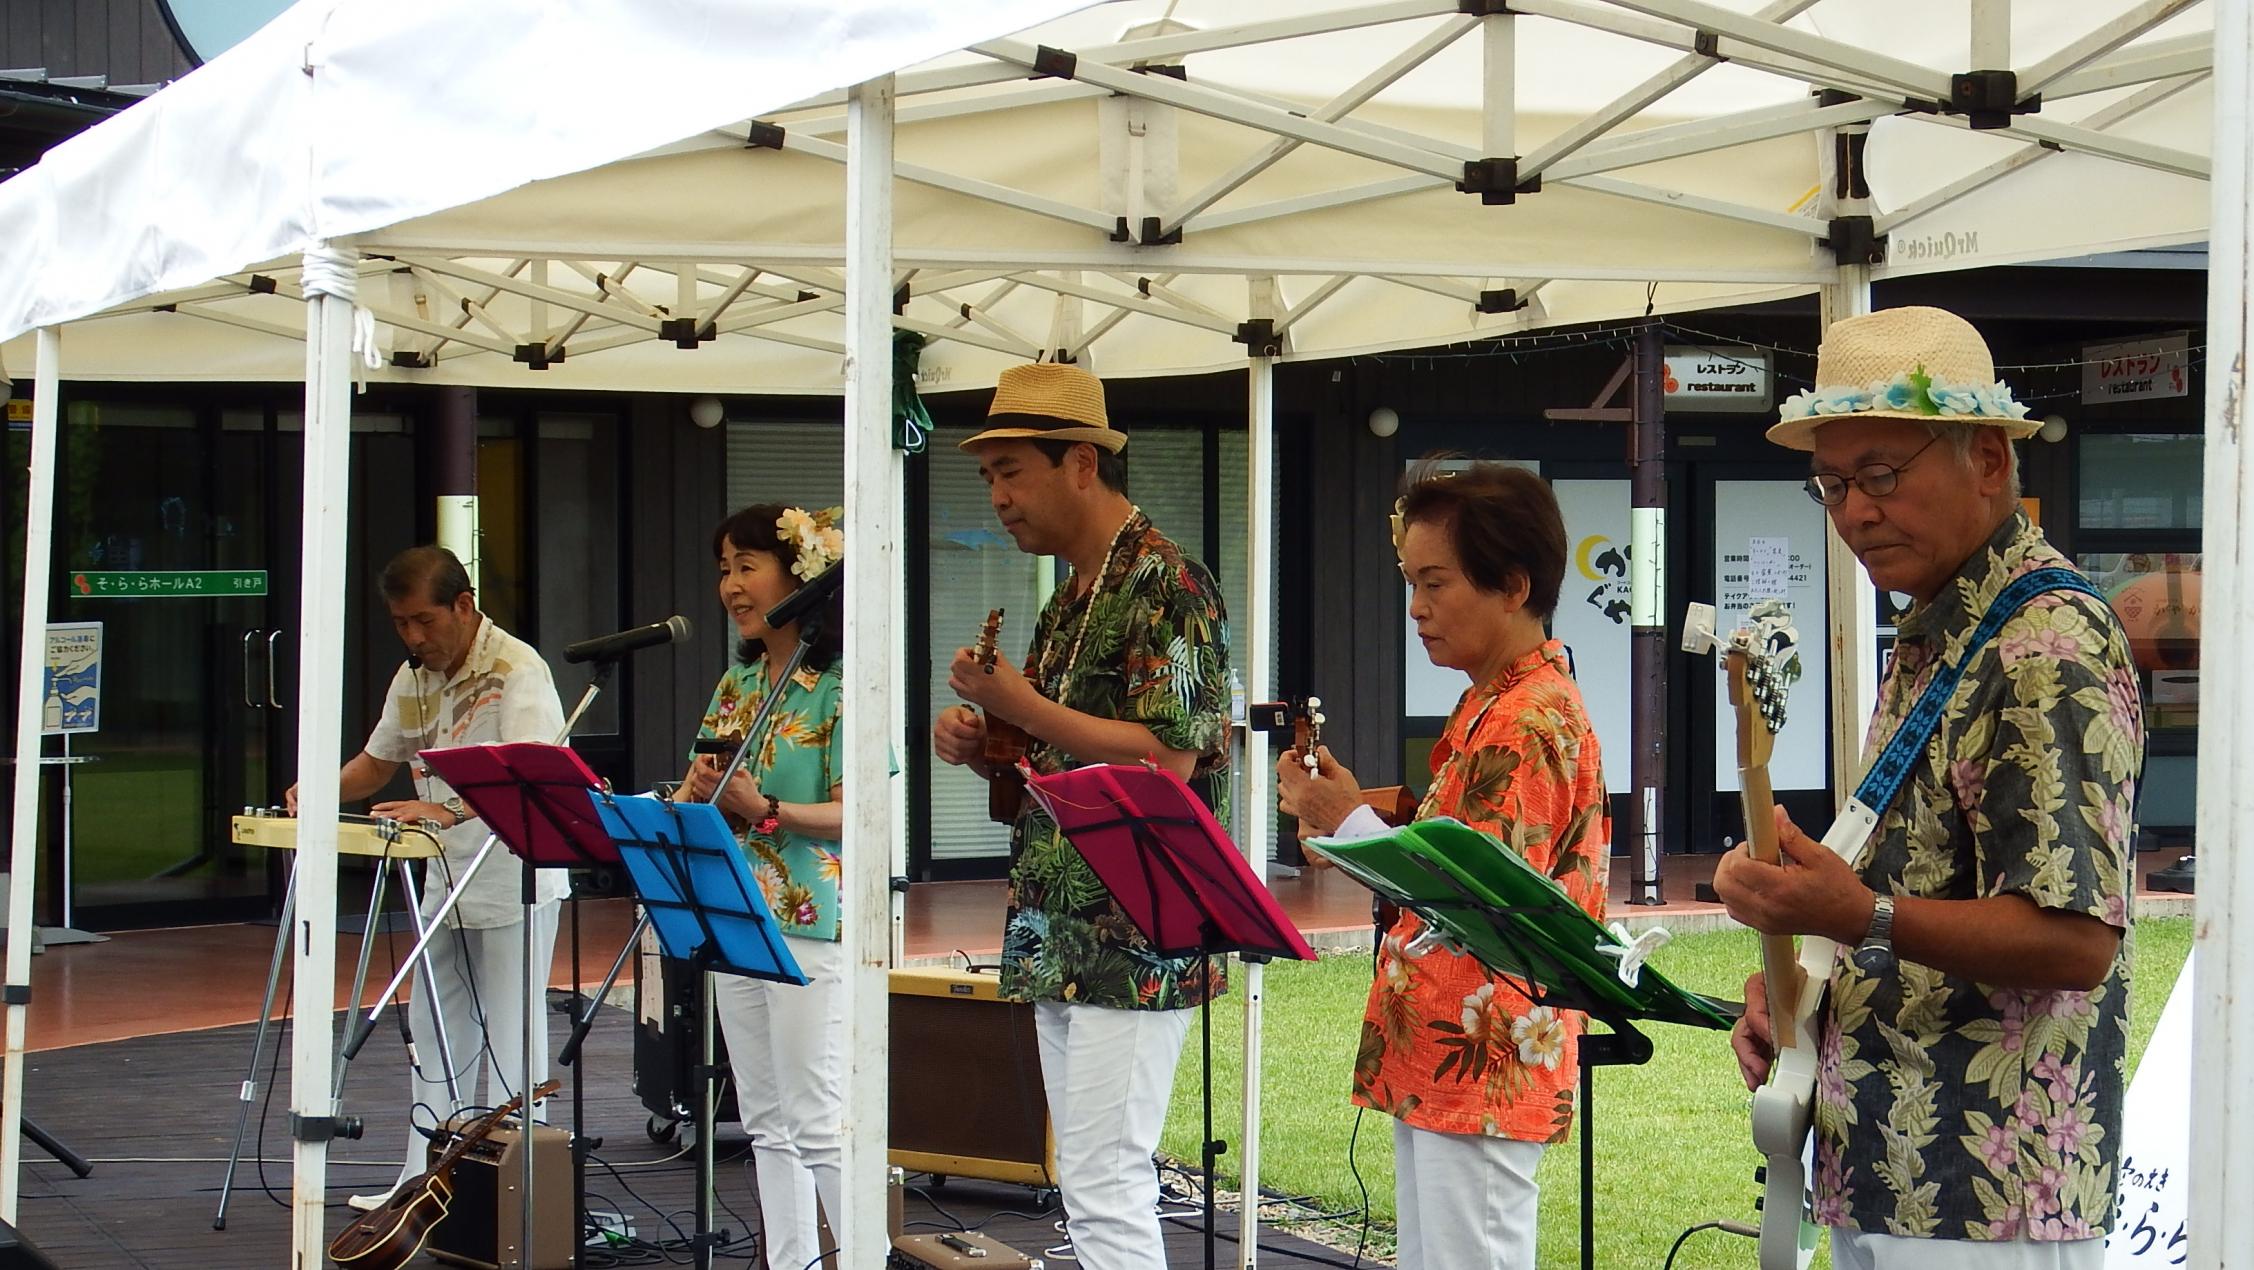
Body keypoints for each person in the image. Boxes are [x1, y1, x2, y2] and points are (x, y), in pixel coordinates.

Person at [1714, 306, 2143, 1270]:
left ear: (1987, 458)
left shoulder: (2045, 644)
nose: (1854, 512)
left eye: (1880, 475)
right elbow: (1920, 893)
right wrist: (1797, 996)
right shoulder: (1941, 627)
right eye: (1832, 484)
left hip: (1988, 1188)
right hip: (1886, 1160)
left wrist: (1856, 913)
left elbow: (2076, 940)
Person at [933, 361, 1232, 1270]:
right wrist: (985, 739)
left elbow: (1170, 757)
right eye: (988, 477)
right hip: (1059, 923)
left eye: (1011, 471)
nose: (998, 497)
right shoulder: (1069, 593)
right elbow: (1052, 756)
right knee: (1086, 1183)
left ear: (1081, 464)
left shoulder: (1168, 582)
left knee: (1107, 1180)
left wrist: (1021, 707)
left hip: (1139, 924)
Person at [1274, 460, 1609, 1270]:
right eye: (1410, 583)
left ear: (1513, 586)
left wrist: (1344, 820)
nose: (1416, 608)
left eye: (1435, 583)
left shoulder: (1528, 718)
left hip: (1486, 1055)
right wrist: (1356, 822)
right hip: (1448, 1050)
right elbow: (1452, 849)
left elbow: (1475, 896)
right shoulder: (1495, 700)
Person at [288, 545, 567, 1210]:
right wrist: (317, 790)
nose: (413, 636)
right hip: (443, 876)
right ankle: (424, 1182)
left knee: (512, 1036)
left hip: (512, 874)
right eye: (400, 623)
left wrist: (447, 809)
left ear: (463, 606)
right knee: (436, 1031)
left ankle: (515, 1196)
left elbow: (532, 771)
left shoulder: (518, 668)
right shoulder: (413, 676)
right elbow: (377, 761)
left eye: (424, 620)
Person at [683, 504, 847, 1270]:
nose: (731, 586)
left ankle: (865, 1255)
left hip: (812, 919)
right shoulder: (739, 681)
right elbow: (709, 791)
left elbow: (861, 814)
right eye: (724, 569)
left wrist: (767, 809)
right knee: (766, 1122)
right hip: (736, 912)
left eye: (747, 567)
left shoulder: (839, 686)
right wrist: (697, 793)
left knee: (817, 1117)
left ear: (800, 580)